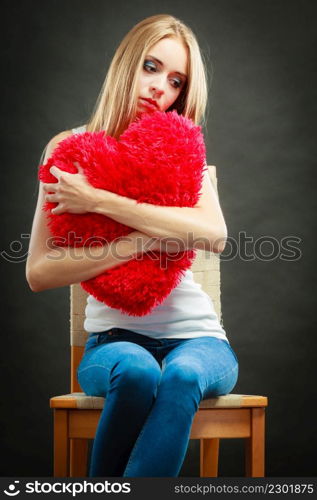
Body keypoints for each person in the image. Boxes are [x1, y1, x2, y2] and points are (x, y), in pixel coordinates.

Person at [26, 14, 239, 477]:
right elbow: (39, 272)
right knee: (139, 372)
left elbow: (214, 236)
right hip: (112, 344)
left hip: (200, 342)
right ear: (126, 64)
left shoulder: (184, 157)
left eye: (176, 80)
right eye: (150, 66)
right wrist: (142, 241)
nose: (160, 87)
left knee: (181, 375)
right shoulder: (69, 151)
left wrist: (99, 200)